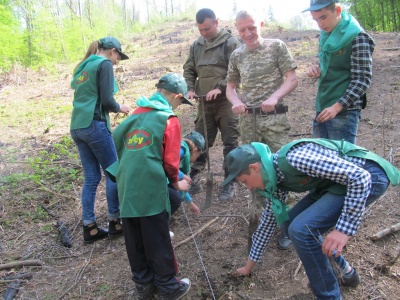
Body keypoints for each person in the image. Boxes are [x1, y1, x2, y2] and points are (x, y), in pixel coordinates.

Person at [222, 139, 400, 300]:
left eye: (245, 181)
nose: (248, 188)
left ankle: (329, 296)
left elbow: (360, 178)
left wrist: (343, 230)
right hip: (336, 185)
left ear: (254, 168)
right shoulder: (274, 178)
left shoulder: (296, 159)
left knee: (300, 230)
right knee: (288, 223)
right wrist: (248, 267)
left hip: (370, 176)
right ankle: (346, 272)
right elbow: (269, 221)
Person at [106, 73, 192, 299]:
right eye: (180, 102)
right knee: (157, 236)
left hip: (126, 184)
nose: (178, 106)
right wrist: (176, 182)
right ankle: (168, 286)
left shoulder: (135, 115)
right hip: (150, 186)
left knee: (134, 236)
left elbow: (115, 139)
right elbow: (171, 160)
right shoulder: (168, 119)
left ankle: (143, 285)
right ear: (177, 96)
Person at [226, 10, 298, 249]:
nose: (248, 33)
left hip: (274, 120)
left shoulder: (276, 47)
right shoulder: (237, 55)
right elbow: (230, 87)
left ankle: (287, 223)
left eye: (252, 28)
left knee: (283, 168)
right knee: (252, 171)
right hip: (249, 122)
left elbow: (291, 78)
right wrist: (235, 101)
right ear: (237, 30)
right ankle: (261, 218)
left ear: (261, 25)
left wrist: (275, 97)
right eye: (242, 29)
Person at [70, 37, 130, 243]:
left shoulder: (84, 66)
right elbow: (107, 99)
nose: (116, 63)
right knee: (114, 172)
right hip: (94, 125)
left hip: (77, 126)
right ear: (112, 51)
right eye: (117, 58)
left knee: (92, 178)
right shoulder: (103, 64)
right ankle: (115, 222)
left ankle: (90, 227)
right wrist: (119, 107)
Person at [183, 8, 241, 202]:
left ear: (216, 23)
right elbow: (189, 69)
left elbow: (237, 70)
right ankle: (194, 178)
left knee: (230, 142)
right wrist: (190, 88)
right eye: (200, 30)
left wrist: (222, 87)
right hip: (203, 102)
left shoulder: (230, 43)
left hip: (226, 102)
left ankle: (230, 181)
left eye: (207, 28)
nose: (204, 33)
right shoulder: (196, 46)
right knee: (199, 142)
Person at [303, 0, 375, 144]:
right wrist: (317, 69)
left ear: (337, 11)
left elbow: (362, 79)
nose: (320, 24)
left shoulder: (357, 36)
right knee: (321, 161)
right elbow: (332, 66)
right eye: (316, 20)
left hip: (343, 112)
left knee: (342, 162)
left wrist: (337, 107)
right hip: (323, 107)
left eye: (323, 17)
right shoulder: (326, 36)